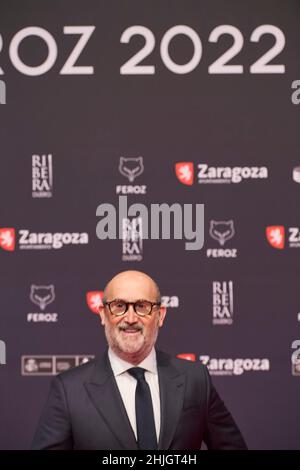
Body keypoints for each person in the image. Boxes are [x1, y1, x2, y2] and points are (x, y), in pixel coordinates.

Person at [31, 270, 247, 450]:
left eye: (142, 306)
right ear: (103, 315)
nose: (131, 318)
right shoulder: (69, 390)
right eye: (119, 306)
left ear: (160, 315)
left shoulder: (196, 379)